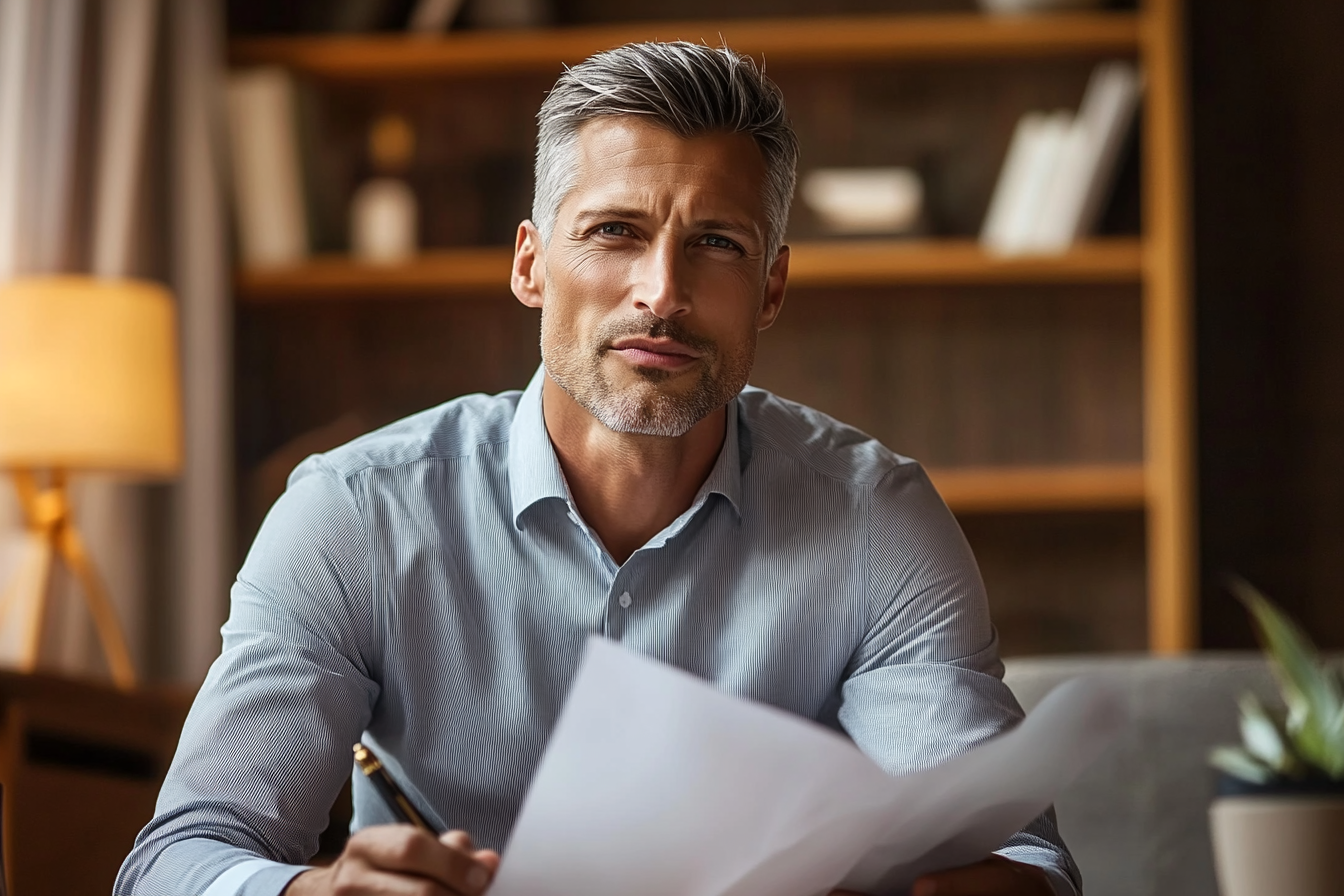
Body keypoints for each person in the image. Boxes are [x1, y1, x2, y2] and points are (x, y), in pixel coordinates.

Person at [117, 41, 1080, 896]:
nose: (662, 293)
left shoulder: (880, 522)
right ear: (532, 265)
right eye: (615, 231)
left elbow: (1027, 863)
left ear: (772, 287)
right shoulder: (353, 514)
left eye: (716, 244)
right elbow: (181, 855)